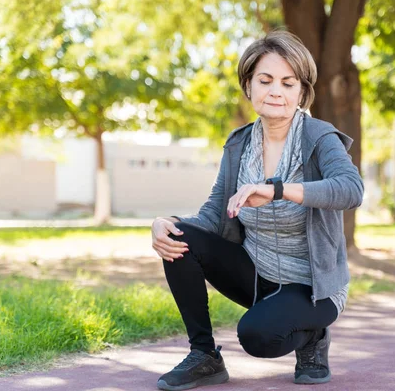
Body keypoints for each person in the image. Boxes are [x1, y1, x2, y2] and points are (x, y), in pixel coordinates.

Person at [151, 30, 364, 391]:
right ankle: (204, 356)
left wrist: (278, 190)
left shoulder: (319, 137)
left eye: (287, 82)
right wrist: (168, 222)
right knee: (180, 238)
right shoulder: (239, 144)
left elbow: (351, 189)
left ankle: (313, 336)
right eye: (264, 81)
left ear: (301, 91)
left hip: (314, 287)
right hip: (255, 275)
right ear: (248, 86)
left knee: (258, 336)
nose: (275, 91)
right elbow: (215, 214)